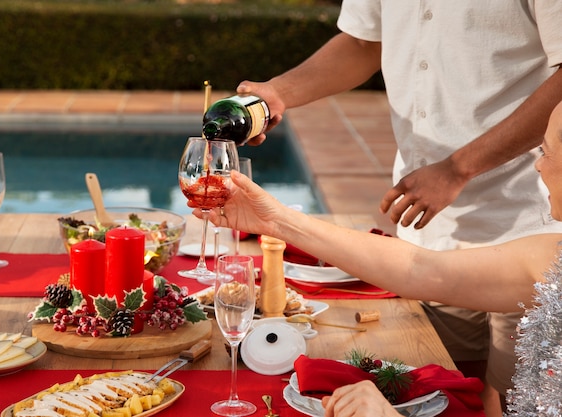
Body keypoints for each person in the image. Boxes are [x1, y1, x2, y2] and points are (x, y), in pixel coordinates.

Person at [234, 2, 562, 413]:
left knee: (510, 402)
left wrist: (459, 168)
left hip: (528, 224)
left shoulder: (550, 265)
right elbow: (362, 41)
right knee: (440, 395)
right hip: (430, 234)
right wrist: (280, 92)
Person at [191, 100, 562, 416]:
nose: (537, 166)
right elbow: (422, 269)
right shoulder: (550, 256)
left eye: (544, 152)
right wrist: (275, 220)